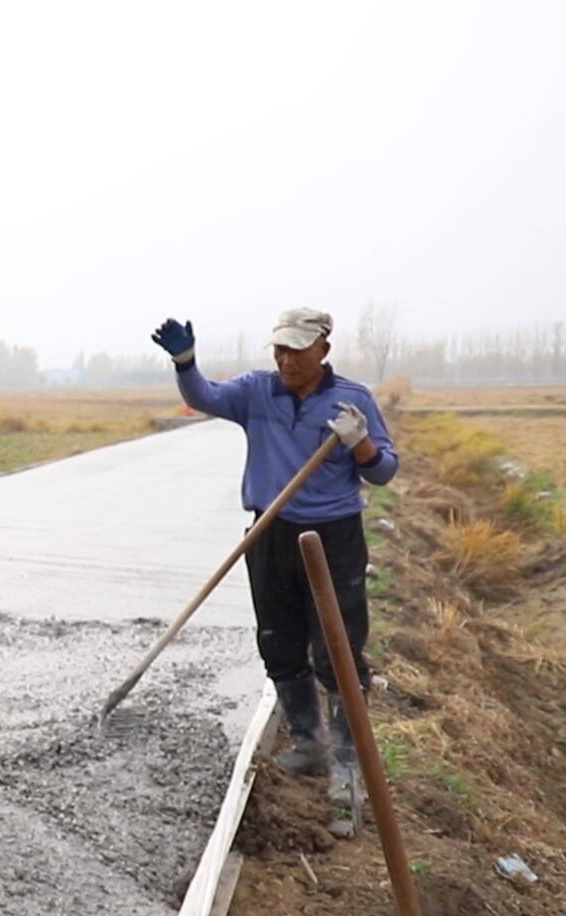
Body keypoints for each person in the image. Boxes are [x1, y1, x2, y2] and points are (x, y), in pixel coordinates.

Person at [151, 309, 399, 805]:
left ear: (323, 350)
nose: (286, 360)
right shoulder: (257, 392)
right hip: (270, 531)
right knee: (278, 643)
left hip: (332, 537)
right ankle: (308, 745)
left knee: (339, 652)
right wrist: (185, 363)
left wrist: (362, 444)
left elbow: (385, 472)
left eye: (297, 350)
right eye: (279, 350)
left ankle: (348, 765)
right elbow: (206, 396)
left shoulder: (352, 400)